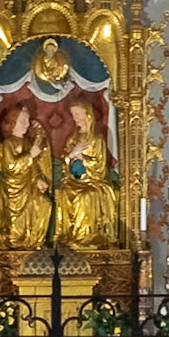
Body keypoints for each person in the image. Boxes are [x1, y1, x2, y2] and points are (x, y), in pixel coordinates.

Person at [0, 103, 53, 247]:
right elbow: (11, 166)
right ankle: (3, 239)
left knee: (45, 204)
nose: (27, 124)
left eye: (27, 120)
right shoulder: (8, 143)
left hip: (30, 188)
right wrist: (30, 155)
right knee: (15, 235)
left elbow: (34, 167)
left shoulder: (28, 142)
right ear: (13, 123)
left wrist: (38, 179)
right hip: (14, 191)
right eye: (22, 121)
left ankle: (34, 241)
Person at [53, 99, 120, 247]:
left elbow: (100, 166)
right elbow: (66, 158)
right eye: (73, 114)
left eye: (77, 114)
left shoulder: (96, 139)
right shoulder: (73, 138)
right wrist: (71, 156)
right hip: (73, 180)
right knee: (64, 192)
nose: (75, 118)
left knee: (84, 197)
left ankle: (84, 237)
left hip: (93, 181)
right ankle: (67, 235)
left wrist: (83, 158)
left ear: (87, 115)